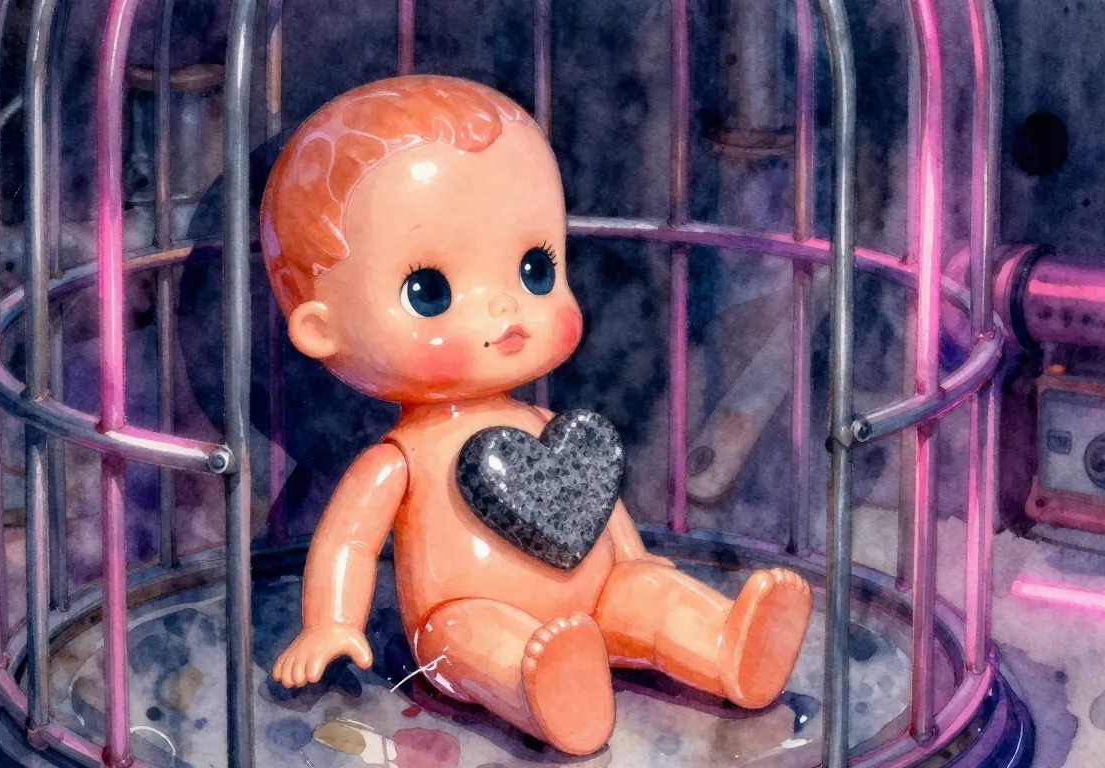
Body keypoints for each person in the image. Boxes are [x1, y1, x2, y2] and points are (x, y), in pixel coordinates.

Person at [262, 74, 811, 756]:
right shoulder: (398, 460)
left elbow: (595, 505)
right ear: (321, 328)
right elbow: (347, 544)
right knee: (470, 637)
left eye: (535, 270)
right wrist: (331, 623)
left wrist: (634, 561)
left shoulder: (542, 424)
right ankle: (542, 687)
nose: (506, 309)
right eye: (430, 291)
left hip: (597, 593)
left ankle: (729, 646)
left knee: (647, 595)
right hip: (461, 613)